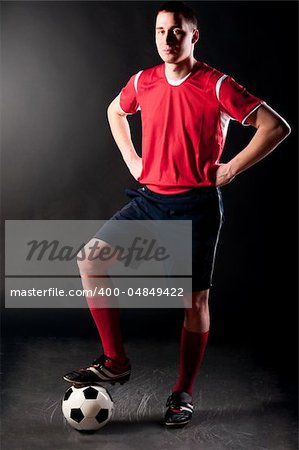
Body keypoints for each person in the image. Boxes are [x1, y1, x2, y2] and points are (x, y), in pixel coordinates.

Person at [64, 1, 290, 427]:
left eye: (177, 31)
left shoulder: (217, 84)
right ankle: (115, 361)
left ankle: (182, 391)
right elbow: (116, 110)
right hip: (150, 200)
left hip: (196, 206)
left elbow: (275, 126)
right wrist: (133, 158)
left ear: (194, 36)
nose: (167, 39)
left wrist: (232, 169)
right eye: (160, 30)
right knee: (90, 258)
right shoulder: (144, 81)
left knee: (194, 300)